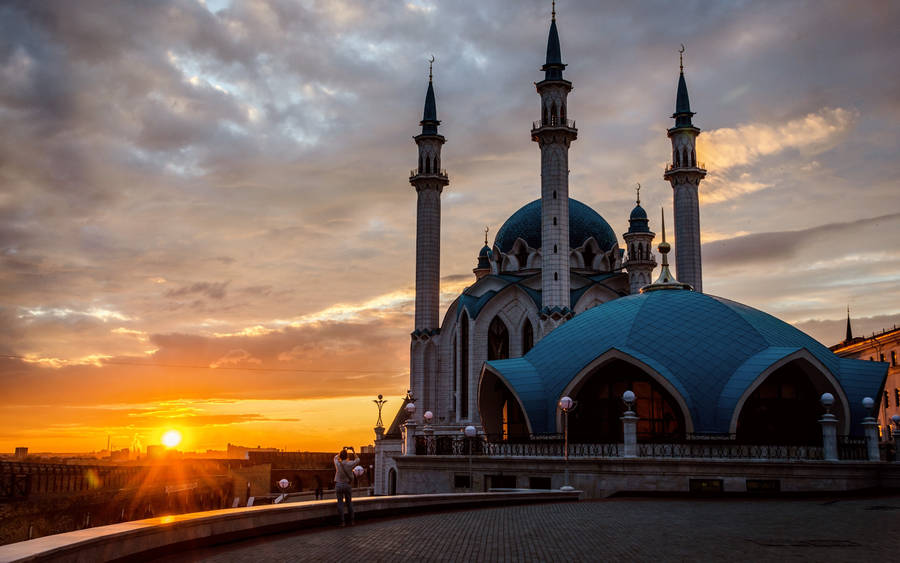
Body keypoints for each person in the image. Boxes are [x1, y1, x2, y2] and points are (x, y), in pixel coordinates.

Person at [333, 447, 359, 526]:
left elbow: (335, 457)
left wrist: (341, 451)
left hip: (339, 485)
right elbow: (358, 460)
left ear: (341, 456)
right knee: (349, 503)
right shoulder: (350, 463)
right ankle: (352, 520)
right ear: (347, 456)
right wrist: (353, 451)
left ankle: (342, 522)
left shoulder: (338, 463)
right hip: (347, 485)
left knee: (340, 503)